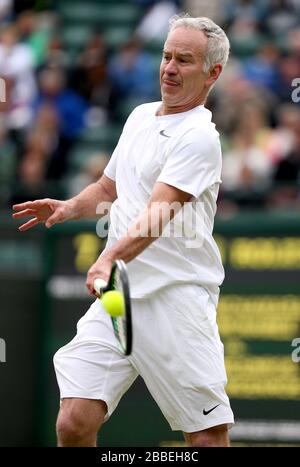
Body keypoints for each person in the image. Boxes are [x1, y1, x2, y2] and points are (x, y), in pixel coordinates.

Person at [12, 14, 234, 447]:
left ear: (213, 73)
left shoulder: (200, 138)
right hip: (120, 298)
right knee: (73, 422)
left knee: (206, 437)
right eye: (167, 56)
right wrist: (70, 206)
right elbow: (108, 188)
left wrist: (109, 258)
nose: (169, 68)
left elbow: (158, 213)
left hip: (175, 295)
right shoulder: (137, 117)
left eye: (184, 60)